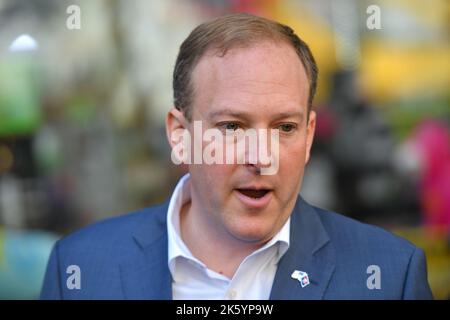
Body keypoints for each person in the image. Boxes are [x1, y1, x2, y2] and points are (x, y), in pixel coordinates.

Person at [40, 13, 433, 300]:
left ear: (310, 135)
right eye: (232, 127)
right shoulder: (81, 269)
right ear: (180, 136)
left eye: (285, 128)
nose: (262, 158)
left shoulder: (389, 275)